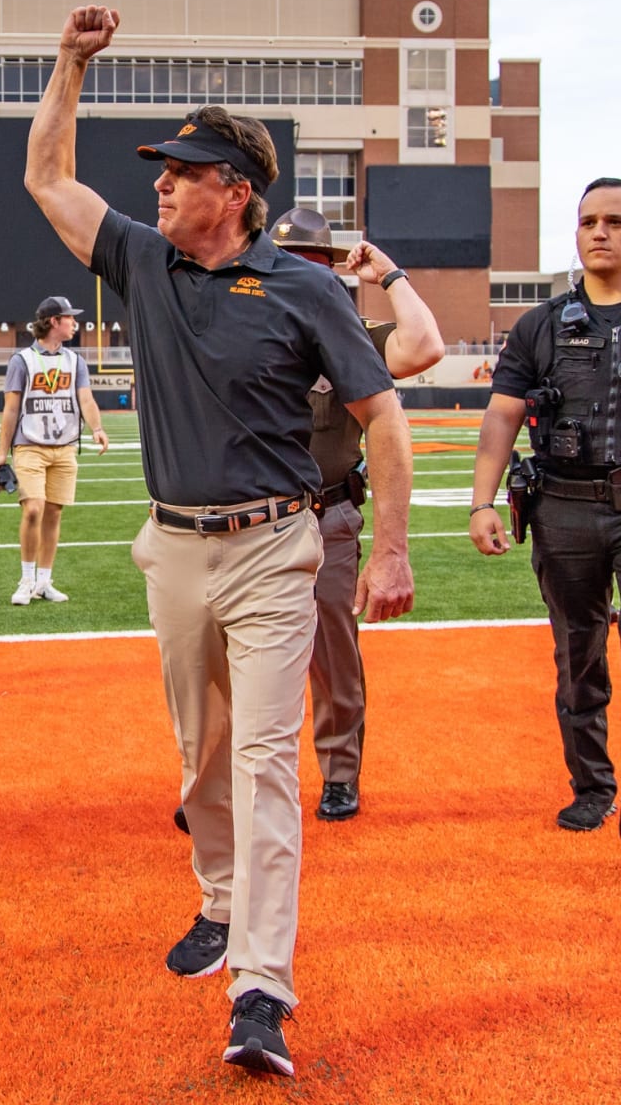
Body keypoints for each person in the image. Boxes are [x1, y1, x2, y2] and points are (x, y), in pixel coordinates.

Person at [26, 5, 414, 1077]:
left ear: (234, 192)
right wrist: (68, 63)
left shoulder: (303, 288)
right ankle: (215, 899)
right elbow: (49, 180)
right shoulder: (145, 264)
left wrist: (388, 548)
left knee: (265, 761)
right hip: (174, 548)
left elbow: (382, 411)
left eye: (183, 171)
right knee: (203, 758)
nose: (160, 183)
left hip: (275, 548)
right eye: (163, 170)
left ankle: (261, 987)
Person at [273, 209, 443, 821]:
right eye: (287, 261)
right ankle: (230, 781)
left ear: (330, 272)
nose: (298, 273)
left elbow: (424, 346)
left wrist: (390, 275)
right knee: (231, 655)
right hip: (252, 523)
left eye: (312, 263)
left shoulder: (350, 334)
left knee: (333, 656)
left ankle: (340, 771)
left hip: (327, 517)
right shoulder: (245, 328)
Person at [470, 176, 621, 834]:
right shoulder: (541, 326)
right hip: (566, 507)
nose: (600, 231)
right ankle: (593, 786)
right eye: (589, 220)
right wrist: (481, 503)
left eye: (614, 220)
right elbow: (502, 416)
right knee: (579, 656)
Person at [0, 295, 108, 605]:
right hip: (30, 446)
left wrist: (97, 428)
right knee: (33, 510)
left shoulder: (75, 361)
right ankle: (26, 579)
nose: (74, 323)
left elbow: (86, 399)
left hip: (65, 448)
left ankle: (44, 581)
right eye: (69, 317)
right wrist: (3, 452)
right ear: (53, 321)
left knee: (54, 514)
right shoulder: (22, 360)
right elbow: (11, 409)